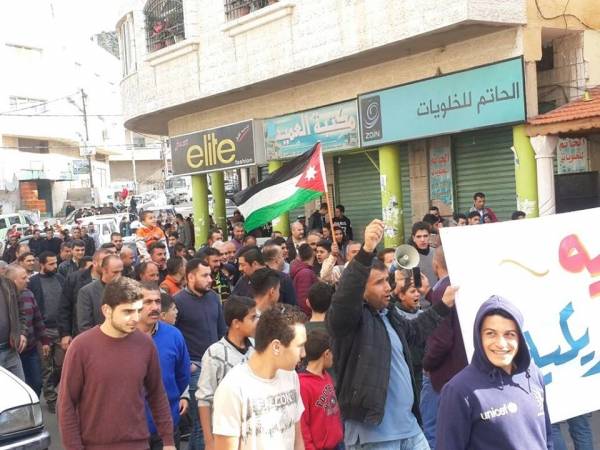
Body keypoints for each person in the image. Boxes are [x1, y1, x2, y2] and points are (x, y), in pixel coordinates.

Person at [327, 219, 458, 450]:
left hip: (410, 428)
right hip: (375, 437)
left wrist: (443, 305)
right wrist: (367, 250)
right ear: (361, 291)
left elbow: (415, 330)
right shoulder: (349, 322)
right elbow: (346, 295)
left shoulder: (387, 315)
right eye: (379, 283)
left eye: (387, 280)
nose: (388, 287)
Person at [58, 277, 176, 449]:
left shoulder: (146, 344)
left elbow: (157, 393)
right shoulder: (81, 347)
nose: (135, 318)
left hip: (138, 443)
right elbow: (66, 404)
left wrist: (168, 441)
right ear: (106, 310)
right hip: (94, 445)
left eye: (138, 310)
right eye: (127, 311)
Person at [436, 296, 552, 450]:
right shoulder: (458, 390)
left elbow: (547, 437)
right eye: (491, 333)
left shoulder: (533, 374)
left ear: (520, 338)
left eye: (509, 334)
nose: (501, 344)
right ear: (479, 337)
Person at [212, 304, 307, 450]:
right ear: (276, 347)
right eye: (300, 346)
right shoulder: (233, 388)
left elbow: (297, 439)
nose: (304, 354)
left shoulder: (291, 376)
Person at [174, 258, 227, 450]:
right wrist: (186, 364)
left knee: (215, 421)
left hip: (218, 365)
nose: (210, 279)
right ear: (190, 277)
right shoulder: (178, 301)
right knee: (200, 425)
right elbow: (173, 337)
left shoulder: (213, 297)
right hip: (195, 367)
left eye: (210, 275)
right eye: (205, 275)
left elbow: (221, 330)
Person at [419, 245, 467, 448]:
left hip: (442, 372)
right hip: (462, 369)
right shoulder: (458, 286)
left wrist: (427, 363)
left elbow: (442, 339)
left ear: (435, 263)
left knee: (433, 428)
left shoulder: (442, 290)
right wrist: (429, 293)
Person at [197, 295, 258, 450]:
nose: (257, 321)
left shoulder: (257, 348)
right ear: (236, 323)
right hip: (226, 433)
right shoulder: (215, 354)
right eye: (252, 318)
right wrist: (209, 441)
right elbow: (204, 399)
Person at [137, 282, 190, 450]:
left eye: (157, 301)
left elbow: (182, 376)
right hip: (132, 431)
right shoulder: (122, 337)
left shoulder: (174, 335)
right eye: (148, 302)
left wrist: (179, 397)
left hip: (166, 427)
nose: (154, 307)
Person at [28, 251, 66, 411]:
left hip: (60, 329)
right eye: (51, 264)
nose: (55, 266)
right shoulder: (33, 282)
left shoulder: (60, 279)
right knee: (46, 368)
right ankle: (51, 398)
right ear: (42, 264)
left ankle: (54, 390)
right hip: (42, 330)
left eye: (55, 263)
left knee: (62, 365)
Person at [6, 265, 49, 395]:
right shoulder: (4, 299)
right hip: (11, 352)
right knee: (16, 387)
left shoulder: (29, 294)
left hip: (30, 349)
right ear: (13, 281)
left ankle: (33, 406)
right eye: (24, 278)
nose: (28, 280)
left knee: (36, 382)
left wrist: (45, 341)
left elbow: (37, 319)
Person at [299, 329, 344, 450]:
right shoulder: (303, 384)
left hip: (337, 444)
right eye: (332, 353)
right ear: (326, 354)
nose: (333, 357)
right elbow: (303, 425)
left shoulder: (326, 376)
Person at [77, 254, 123, 332]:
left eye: (121, 271)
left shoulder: (126, 289)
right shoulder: (87, 292)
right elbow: (84, 325)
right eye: (115, 272)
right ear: (104, 270)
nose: (119, 276)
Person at [410, 221, 438, 299]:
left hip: (436, 299)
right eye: (418, 237)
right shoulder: (409, 257)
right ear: (413, 238)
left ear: (429, 236)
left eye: (425, 236)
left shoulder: (437, 253)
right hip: (418, 302)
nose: (422, 240)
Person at [290, 243, 318, 316]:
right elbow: (304, 300)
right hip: (306, 317)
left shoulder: (303, 270)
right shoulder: (305, 273)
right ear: (312, 255)